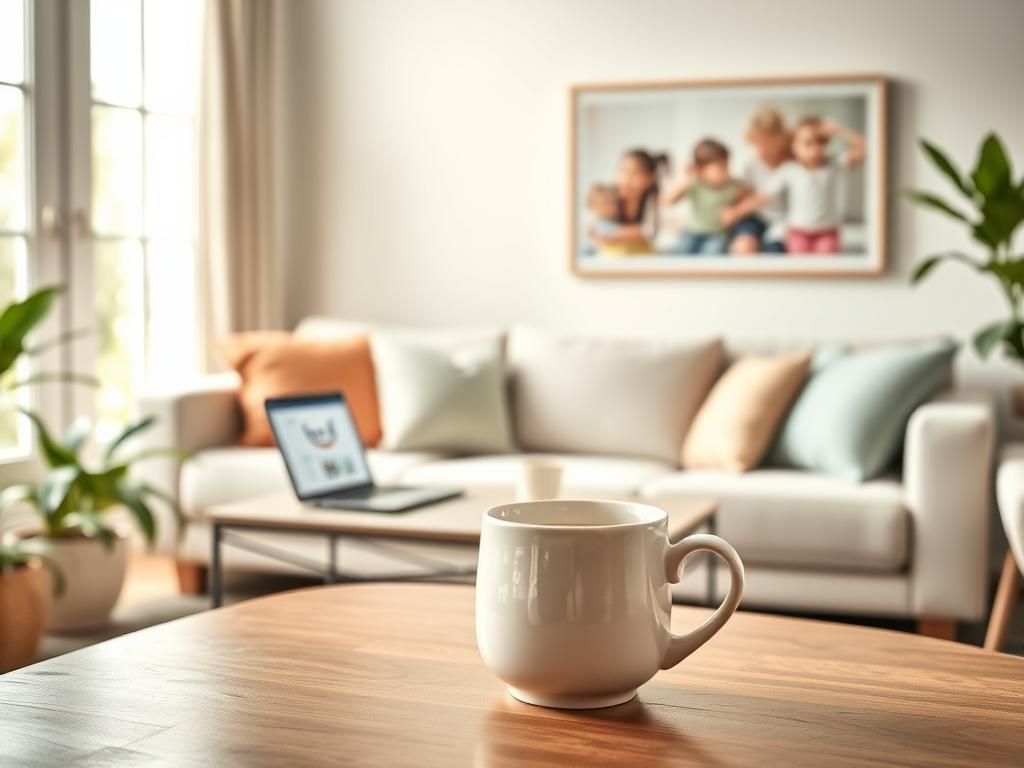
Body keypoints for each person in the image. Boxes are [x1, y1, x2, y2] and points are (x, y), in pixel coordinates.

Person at [738, 116, 866, 255]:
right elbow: (763, 196)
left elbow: (863, 145)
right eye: (808, 143)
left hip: (827, 232)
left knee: (827, 270)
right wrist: (736, 211)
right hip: (798, 233)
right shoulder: (789, 169)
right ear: (794, 145)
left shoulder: (833, 164)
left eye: (821, 142)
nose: (815, 149)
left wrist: (838, 130)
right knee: (800, 270)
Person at [723, 106, 792, 254]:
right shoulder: (750, 165)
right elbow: (745, 195)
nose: (762, 149)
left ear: (780, 138)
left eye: (767, 143)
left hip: (784, 221)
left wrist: (737, 211)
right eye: (757, 143)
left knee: (774, 251)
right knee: (743, 245)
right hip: (757, 218)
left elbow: (763, 197)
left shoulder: (791, 165)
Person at [663, 138, 745, 255]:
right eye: (721, 168)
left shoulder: (734, 186)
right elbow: (668, 201)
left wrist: (735, 210)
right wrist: (686, 179)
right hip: (691, 232)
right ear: (701, 169)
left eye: (727, 166)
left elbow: (750, 197)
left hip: (717, 234)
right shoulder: (695, 184)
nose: (726, 172)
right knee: (680, 254)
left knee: (713, 253)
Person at [590, 149, 669, 254]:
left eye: (635, 173)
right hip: (612, 252)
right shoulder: (610, 195)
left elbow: (649, 232)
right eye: (622, 171)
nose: (626, 178)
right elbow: (595, 228)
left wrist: (613, 234)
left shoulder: (652, 200)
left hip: (639, 252)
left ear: (650, 178)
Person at [586, 183, 645, 256]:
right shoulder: (600, 225)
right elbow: (632, 233)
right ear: (591, 206)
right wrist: (646, 229)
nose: (612, 206)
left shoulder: (612, 221)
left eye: (613, 202)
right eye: (606, 202)